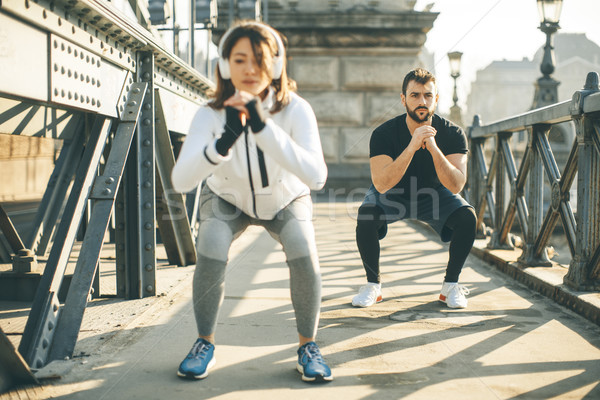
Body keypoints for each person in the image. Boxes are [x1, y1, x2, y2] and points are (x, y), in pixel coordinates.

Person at [171, 21, 332, 383]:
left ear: (275, 66)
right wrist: (223, 141)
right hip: (228, 198)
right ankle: (204, 342)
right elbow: (181, 180)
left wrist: (263, 128)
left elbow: (317, 176)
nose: (249, 69)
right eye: (239, 59)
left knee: (303, 248)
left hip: (285, 198)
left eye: (259, 60)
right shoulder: (209, 113)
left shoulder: (296, 110)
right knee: (211, 244)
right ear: (226, 65)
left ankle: (308, 345)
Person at [352, 68, 476, 309]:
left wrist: (433, 148)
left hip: (434, 193)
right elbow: (381, 183)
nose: (422, 101)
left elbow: (457, 185)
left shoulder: (453, 133)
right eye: (415, 95)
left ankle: (450, 286)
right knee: (366, 215)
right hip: (392, 193)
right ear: (403, 99)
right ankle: (372, 286)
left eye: (428, 96)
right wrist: (412, 145)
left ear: (436, 99)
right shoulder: (383, 133)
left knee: (467, 217)